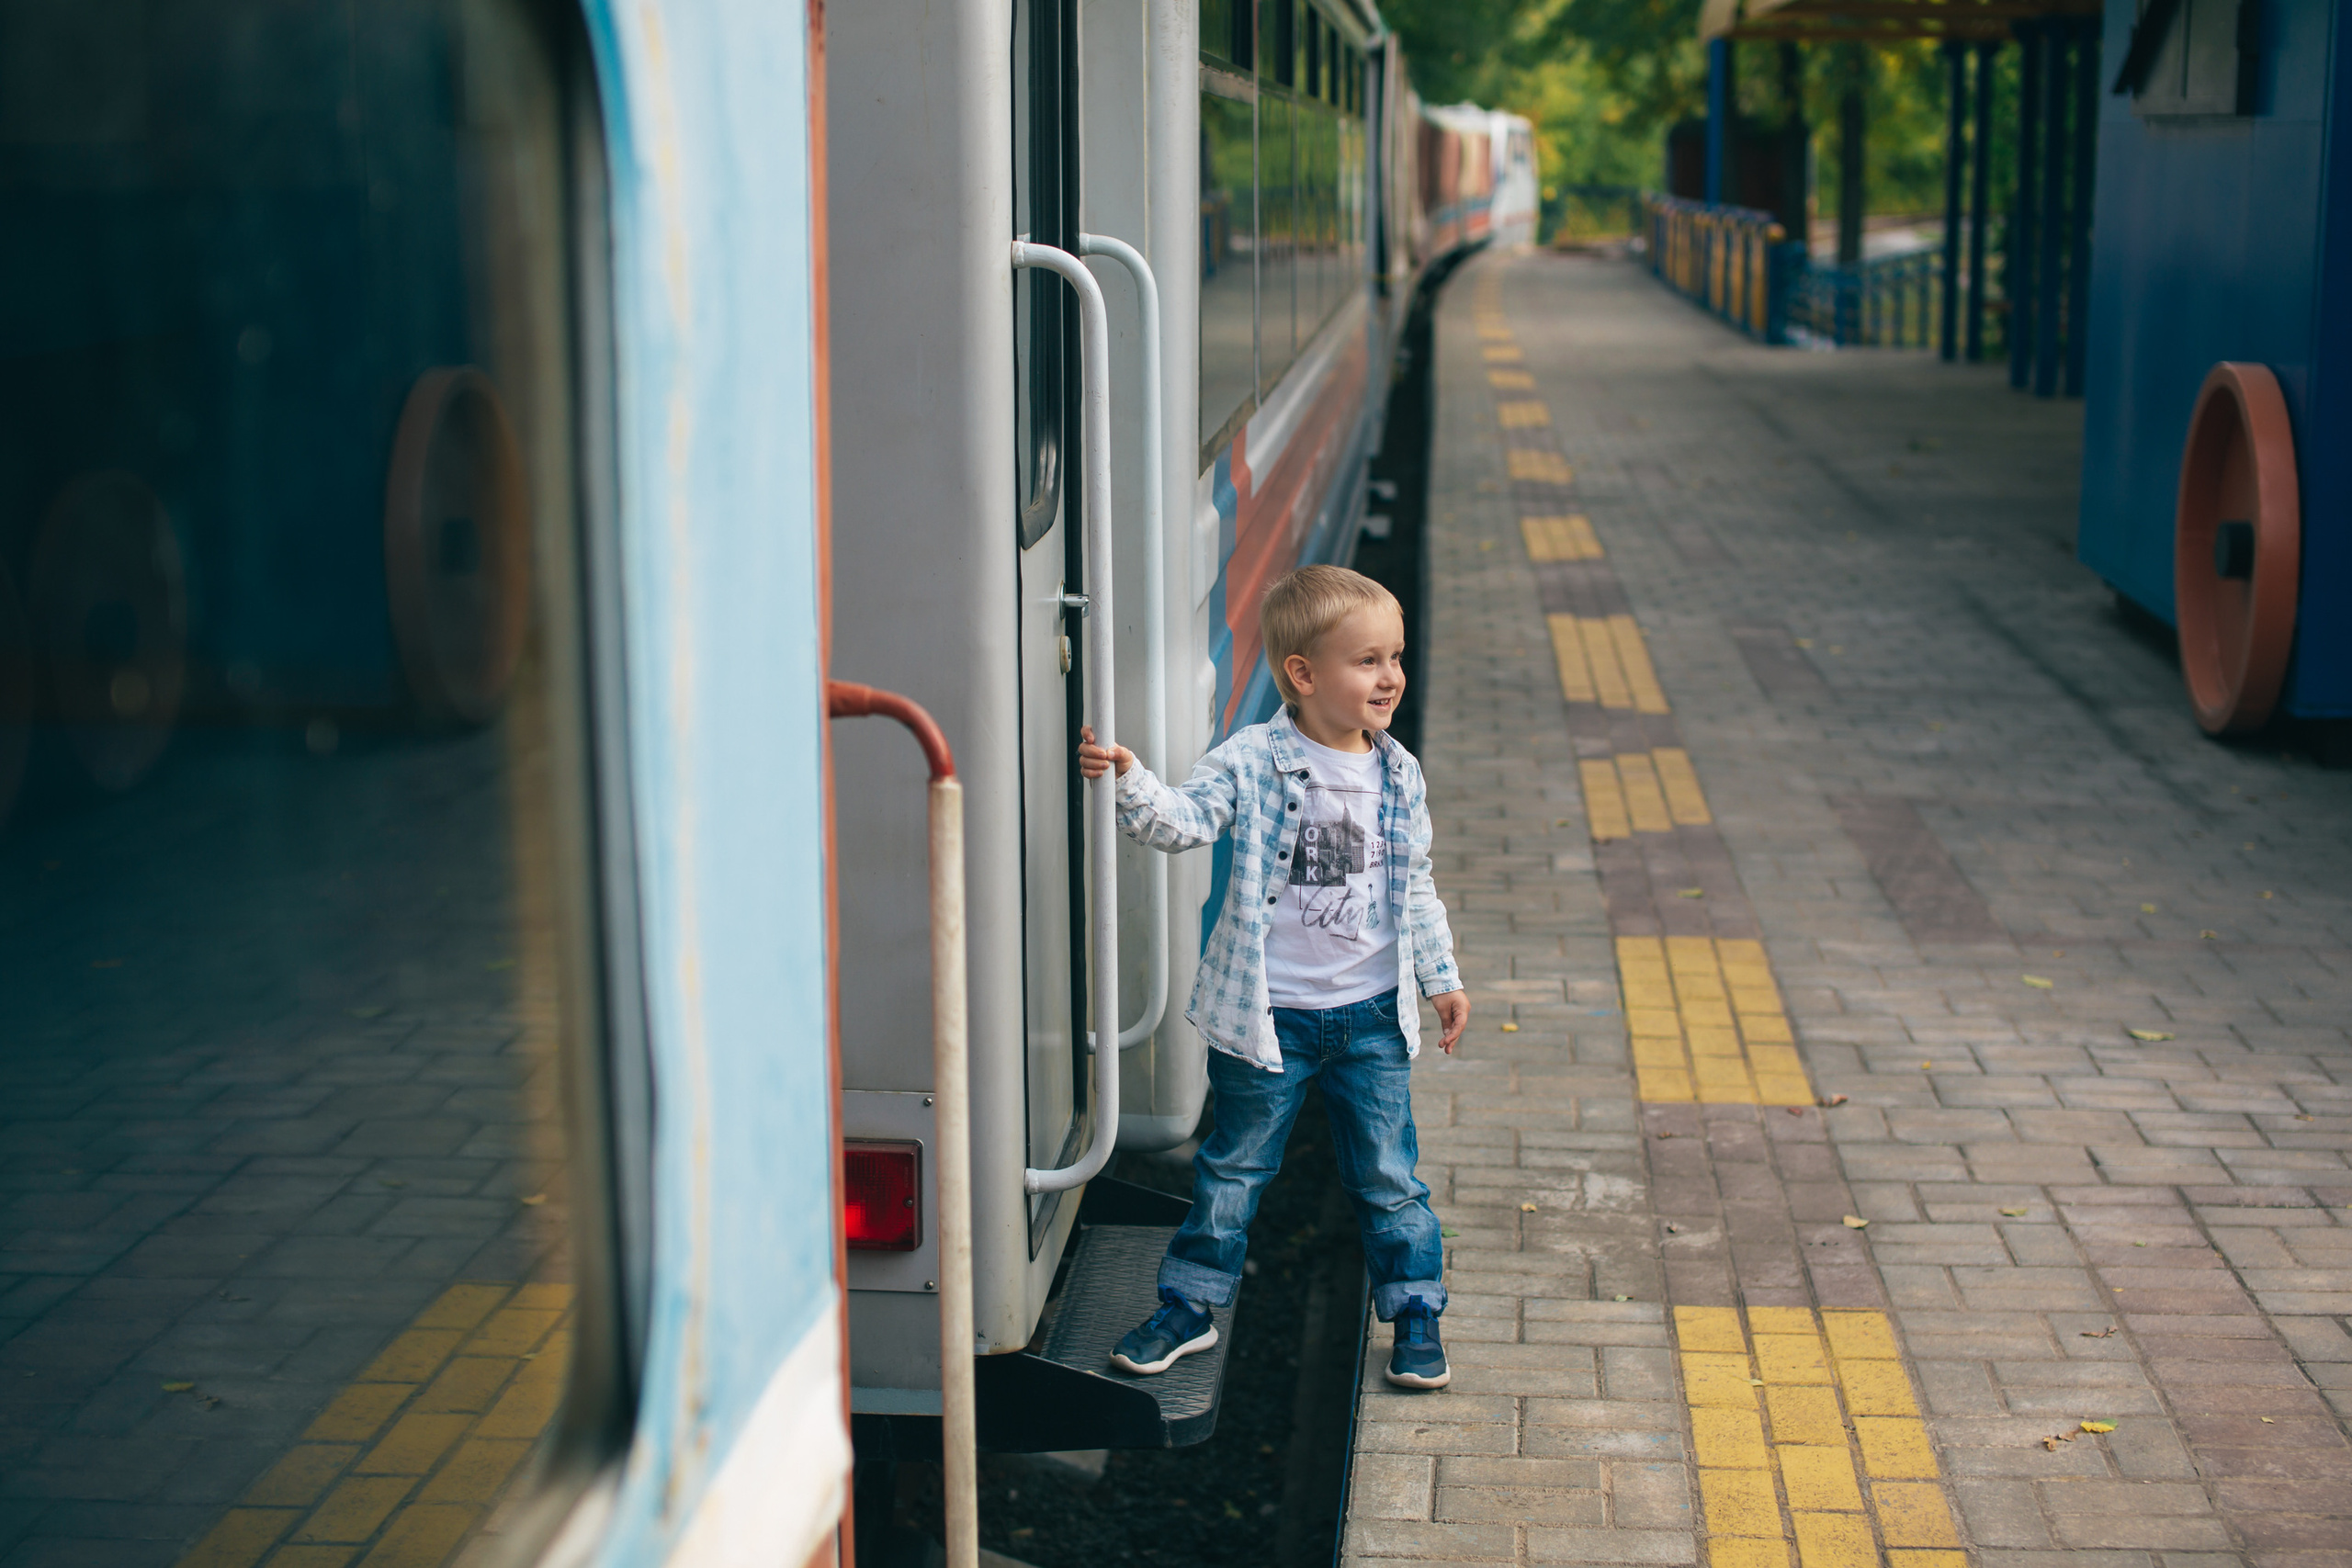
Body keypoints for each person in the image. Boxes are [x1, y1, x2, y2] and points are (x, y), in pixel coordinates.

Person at [1077, 564, 1469, 1392]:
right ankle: (1189, 1308)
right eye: (1369, 660)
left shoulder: (1399, 773)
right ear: (1303, 673)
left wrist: (1442, 976)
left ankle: (1416, 1309)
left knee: (1389, 1176)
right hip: (1269, 1023)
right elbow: (1179, 822)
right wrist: (1128, 778)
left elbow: (1417, 885)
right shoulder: (1254, 759)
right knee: (1231, 1172)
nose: (1392, 675)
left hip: (1371, 1019)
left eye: (1396, 656)